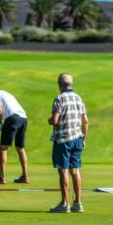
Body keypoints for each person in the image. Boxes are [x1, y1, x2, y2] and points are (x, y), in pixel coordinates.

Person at [48, 73, 88, 213]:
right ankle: (78, 203)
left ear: (59, 85)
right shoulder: (78, 98)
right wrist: (83, 139)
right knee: (75, 171)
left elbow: (54, 120)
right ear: (71, 84)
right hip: (77, 138)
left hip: (63, 140)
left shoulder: (59, 98)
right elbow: (86, 121)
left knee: (63, 171)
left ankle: (65, 204)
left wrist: (49, 120)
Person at [0, 87, 29, 184]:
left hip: (12, 119)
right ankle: (25, 176)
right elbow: (5, 111)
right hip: (23, 118)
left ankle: (2, 177)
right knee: (20, 148)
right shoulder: (4, 93)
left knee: (3, 147)